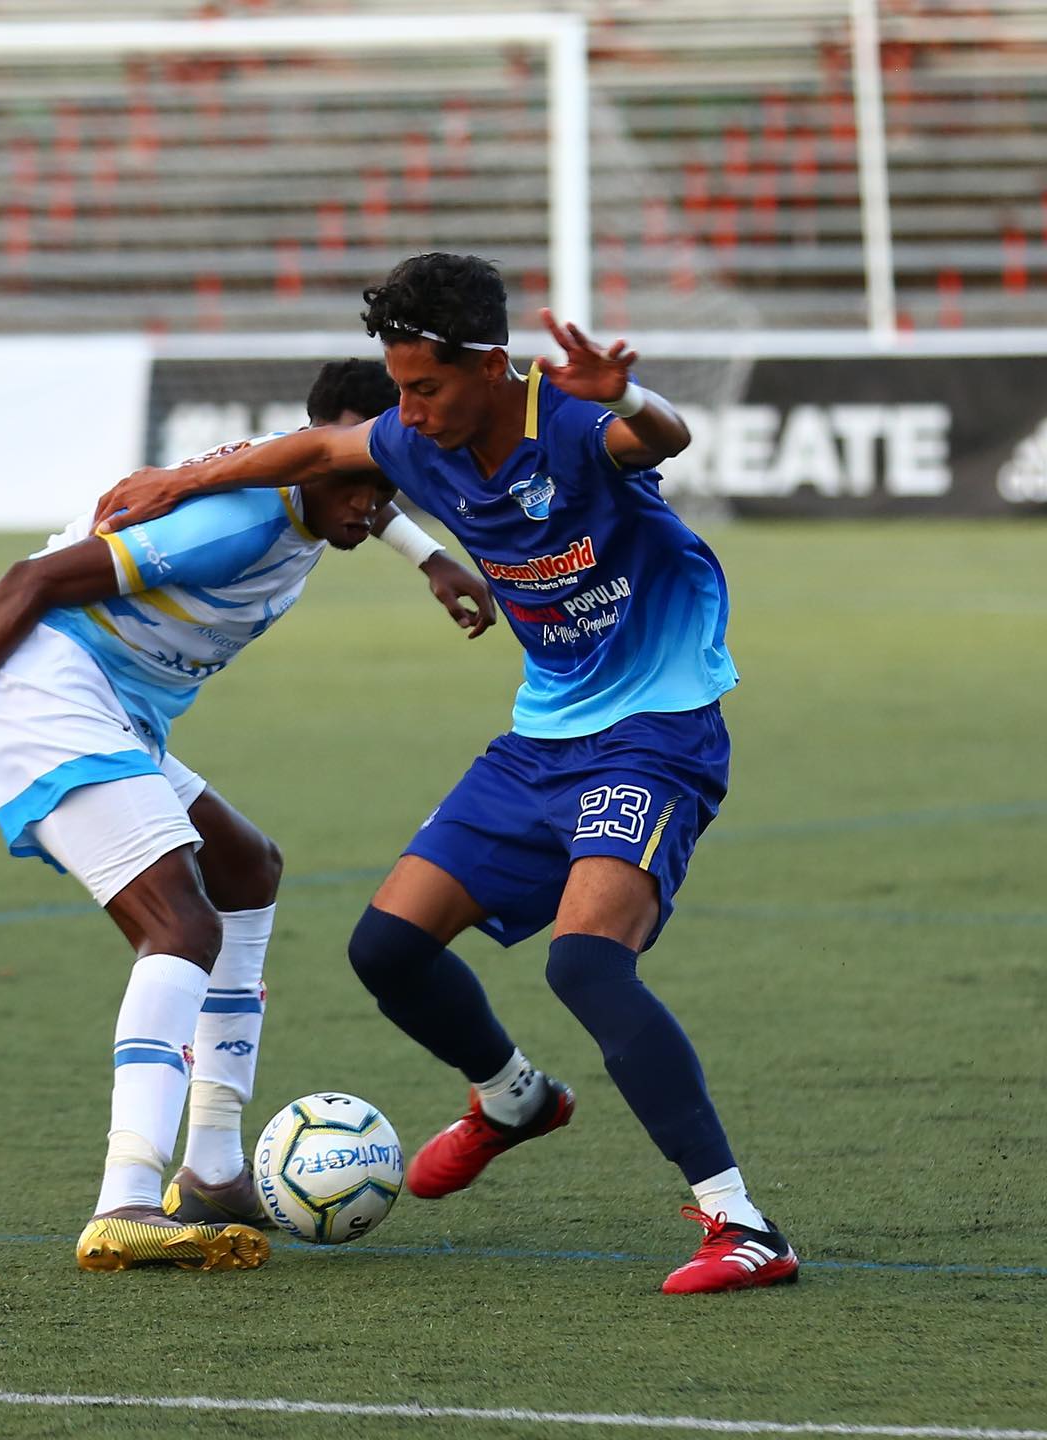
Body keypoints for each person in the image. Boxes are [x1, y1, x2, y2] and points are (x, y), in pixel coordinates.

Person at [93, 253, 800, 1296]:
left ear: (492, 366)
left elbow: (659, 438)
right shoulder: (416, 440)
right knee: (386, 947)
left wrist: (629, 395)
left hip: (656, 730)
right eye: (400, 386)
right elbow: (323, 445)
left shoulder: (569, 422)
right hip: (541, 738)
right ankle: (513, 1096)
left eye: (425, 386)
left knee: (586, 965)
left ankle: (742, 1224)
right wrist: (180, 478)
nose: (407, 412)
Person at [0, 359, 495, 1274]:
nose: (373, 507)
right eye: (362, 484)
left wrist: (431, 557)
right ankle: (126, 1199)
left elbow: (359, 497)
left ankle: (213, 1168)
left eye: (391, 486)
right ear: (311, 456)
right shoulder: (234, 519)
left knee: (247, 867)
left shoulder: (319, 494)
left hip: (110, 705)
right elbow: (26, 583)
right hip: (34, 690)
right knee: (180, 923)